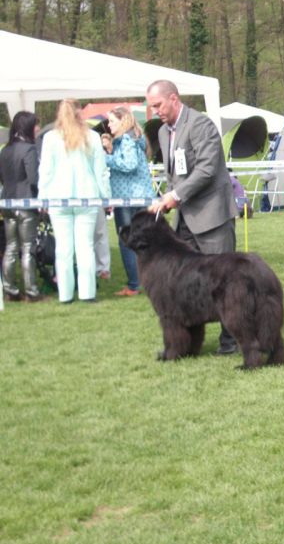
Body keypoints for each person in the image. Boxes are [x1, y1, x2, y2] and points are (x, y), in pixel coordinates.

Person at [146, 79, 240, 353]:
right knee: (184, 281)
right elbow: (176, 174)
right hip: (184, 219)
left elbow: (207, 169)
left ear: (173, 98)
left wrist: (175, 196)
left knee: (223, 279)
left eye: (158, 105)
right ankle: (187, 340)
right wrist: (168, 196)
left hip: (212, 216)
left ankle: (231, 339)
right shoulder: (164, 132)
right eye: (152, 107)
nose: (156, 111)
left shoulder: (200, 125)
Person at [37, 100, 111, 303]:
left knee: (63, 248)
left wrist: (42, 197)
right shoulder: (93, 137)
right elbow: (101, 172)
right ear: (79, 113)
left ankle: (65, 294)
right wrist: (106, 197)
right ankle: (87, 293)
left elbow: (45, 171)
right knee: (85, 246)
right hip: (87, 197)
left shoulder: (50, 138)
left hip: (57, 198)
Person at [101, 106, 155, 296]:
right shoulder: (135, 138)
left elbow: (129, 164)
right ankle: (148, 281)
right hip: (141, 195)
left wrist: (106, 159)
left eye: (112, 121)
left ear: (122, 121)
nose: (108, 125)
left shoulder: (126, 139)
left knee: (127, 241)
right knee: (144, 242)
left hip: (128, 198)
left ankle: (134, 284)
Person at [1, 111, 44, 302]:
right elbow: (34, 179)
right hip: (26, 202)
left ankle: (10, 289)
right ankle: (32, 291)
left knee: (11, 247)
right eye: (35, 125)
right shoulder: (29, 149)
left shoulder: (5, 150)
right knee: (28, 248)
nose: (37, 129)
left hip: (7, 202)